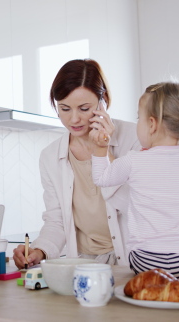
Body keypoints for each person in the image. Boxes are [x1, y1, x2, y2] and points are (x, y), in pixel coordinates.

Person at [13, 59, 141, 269]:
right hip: (84, 264)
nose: (74, 119)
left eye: (84, 108)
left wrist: (104, 150)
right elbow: (56, 220)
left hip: (133, 259)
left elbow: (137, 205)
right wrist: (39, 251)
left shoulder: (134, 139)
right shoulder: (50, 156)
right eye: (64, 108)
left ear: (103, 101)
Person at [89, 81, 179, 277]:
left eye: (138, 118)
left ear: (152, 124)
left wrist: (100, 149)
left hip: (146, 260)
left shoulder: (134, 160)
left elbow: (101, 178)